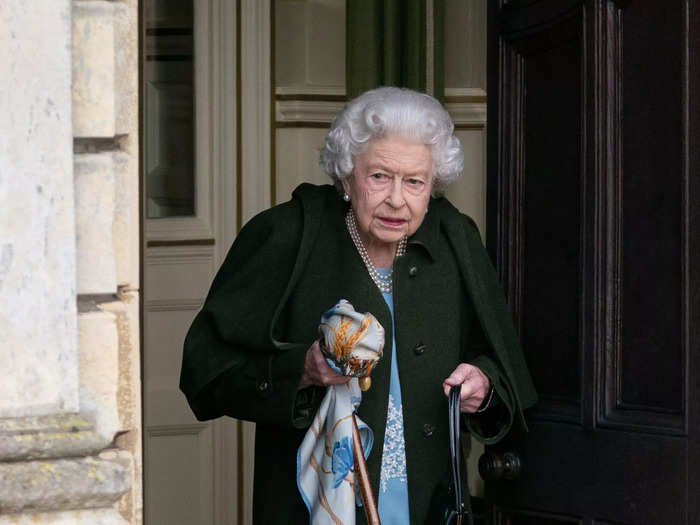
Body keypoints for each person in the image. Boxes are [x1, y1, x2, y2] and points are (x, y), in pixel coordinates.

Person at [180, 86, 536, 524]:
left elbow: (499, 364)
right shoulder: (287, 235)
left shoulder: (455, 238)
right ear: (347, 176)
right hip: (313, 508)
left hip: (428, 505)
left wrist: (482, 384)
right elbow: (204, 370)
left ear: (432, 185)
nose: (396, 199)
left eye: (414, 182)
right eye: (380, 176)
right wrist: (303, 370)